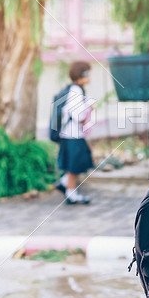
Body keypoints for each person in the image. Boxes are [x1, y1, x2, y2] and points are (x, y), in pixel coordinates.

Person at [55, 61, 94, 204]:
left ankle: (64, 183)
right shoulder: (76, 91)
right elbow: (79, 116)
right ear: (82, 74)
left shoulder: (74, 89)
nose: (90, 76)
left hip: (69, 134)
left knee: (77, 162)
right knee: (75, 165)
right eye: (88, 73)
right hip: (72, 134)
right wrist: (88, 108)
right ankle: (71, 193)